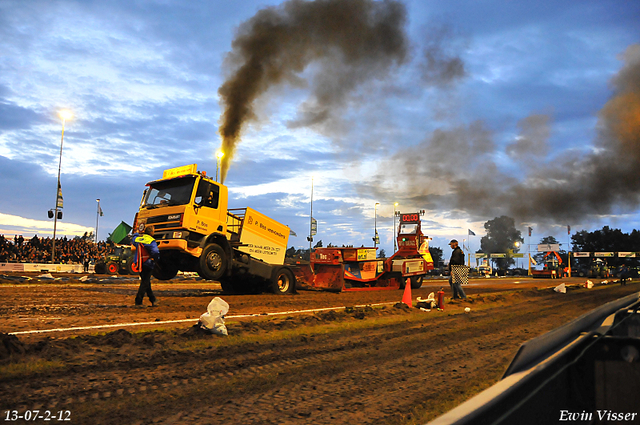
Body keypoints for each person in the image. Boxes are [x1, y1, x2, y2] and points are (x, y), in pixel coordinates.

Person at [131, 226, 160, 307]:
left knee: (146, 281)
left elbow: (133, 240)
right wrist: (156, 259)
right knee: (145, 282)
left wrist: (136, 233)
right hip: (148, 263)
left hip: (139, 262)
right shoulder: (151, 240)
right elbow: (155, 251)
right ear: (151, 232)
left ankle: (153, 299)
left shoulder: (138, 239)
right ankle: (138, 301)